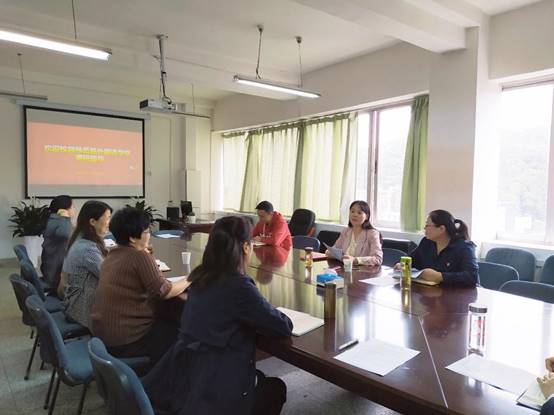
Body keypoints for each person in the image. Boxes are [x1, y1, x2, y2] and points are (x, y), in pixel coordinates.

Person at [143, 216, 293, 415]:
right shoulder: (238, 285)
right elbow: (281, 327)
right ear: (246, 247)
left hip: (187, 374)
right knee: (275, 388)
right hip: (216, 385)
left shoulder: (200, 275)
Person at [91, 207, 190, 364]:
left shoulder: (112, 254)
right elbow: (164, 291)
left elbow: (152, 282)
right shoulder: (138, 256)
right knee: (181, 332)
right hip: (126, 340)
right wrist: (190, 279)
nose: (149, 234)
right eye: (146, 231)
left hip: (104, 337)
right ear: (132, 238)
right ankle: (165, 379)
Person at [62, 201, 112, 329]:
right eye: (107, 218)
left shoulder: (81, 239)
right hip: (80, 309)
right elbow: (110, 277)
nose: (109, 223)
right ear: (92, 222)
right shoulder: (87, 249)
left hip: (74, 302)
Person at [399, 210, 479, 287]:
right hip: (433, 292)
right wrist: (402, 265)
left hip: (462, 295)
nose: (424, 228)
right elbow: (411, 259)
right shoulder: (426, 242)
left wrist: (440, 276)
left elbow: (471, 277)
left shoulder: (464, 247)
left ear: (441, 229)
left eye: (427, 225)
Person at [326, 200, 383, 266]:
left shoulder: (372, 234)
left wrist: (355, 260)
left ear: (366, 216)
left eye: (359, 213)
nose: (355, 215)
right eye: (352, 211)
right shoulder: (346, 231)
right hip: (344, 269)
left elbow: (377, 259)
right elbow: (334, 250)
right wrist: (331, 253)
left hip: (363, 272)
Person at [41, 195, 75, 292]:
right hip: (56, 278)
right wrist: (66, 218)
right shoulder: (61, 222)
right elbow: (67, 235)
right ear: (63, 210)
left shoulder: (54, 219)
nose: (74, 209)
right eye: (72, 207)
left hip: (50, 269)